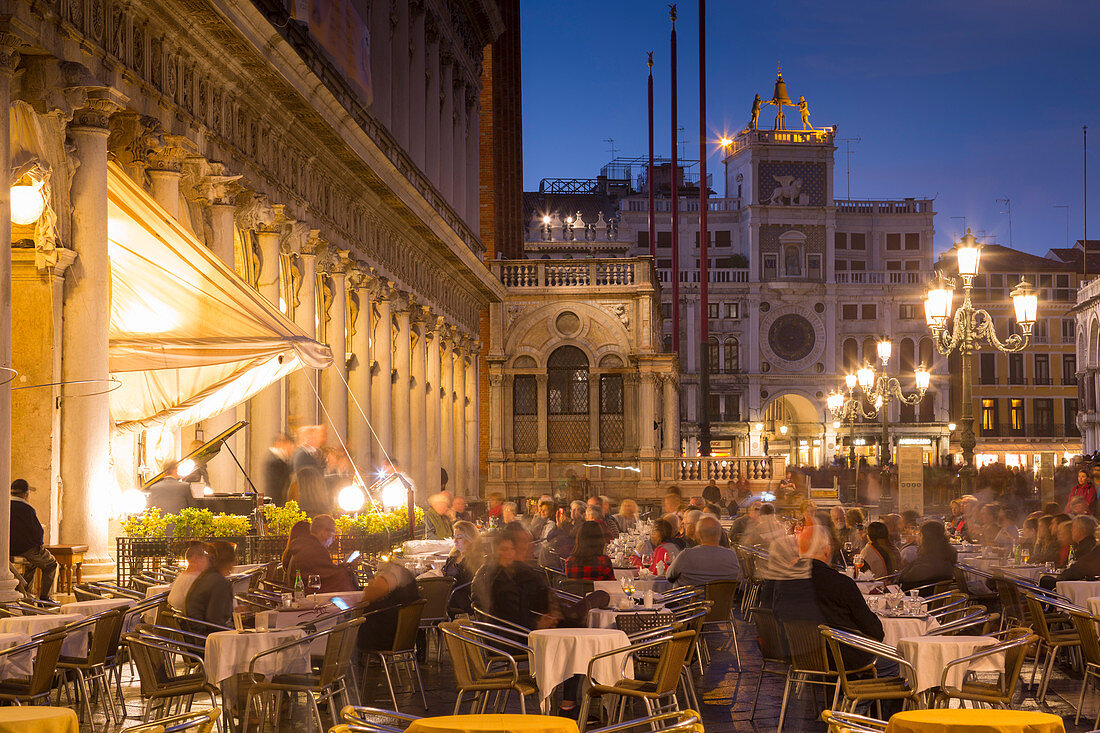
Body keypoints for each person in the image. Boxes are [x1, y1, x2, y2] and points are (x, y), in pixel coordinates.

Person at [805, 526, 885, 670]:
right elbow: (875, 631)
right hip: (841, 658)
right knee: (894, 663)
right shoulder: (840, 583)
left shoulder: (786, 582)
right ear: (827, 550)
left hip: (801, 655)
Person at [472, 523, 553, 630]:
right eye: (505, 549)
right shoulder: (501, 578)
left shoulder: (493, 570)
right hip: (509, 639)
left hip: (498, 633)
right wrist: (537, 625)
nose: (530, 545)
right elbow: (509, 617)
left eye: (511, 549)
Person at [357, 556, 420, 652]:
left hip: (382, 638)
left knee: (348, 629)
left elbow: (369, 596)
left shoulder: (390, 577)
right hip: (404, 637)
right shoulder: (407, 580)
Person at [9, 479, 57, 600]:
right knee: (51, 564)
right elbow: (37, 532)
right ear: (26, 494)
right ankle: (45, 598)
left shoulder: (5, 506)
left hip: (8, 549)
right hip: (25, 549)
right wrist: (39, 546)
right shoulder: (27, 509)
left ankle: (26, 593)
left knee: (31, 564)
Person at [285, 514, 356, 592]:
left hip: (300, 594)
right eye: (333, 535)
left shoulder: (304, 546)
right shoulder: (315, 549)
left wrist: (344, 565)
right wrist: (348, 565)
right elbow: (332, 577)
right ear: (323, 532)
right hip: (308, 597)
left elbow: (327, 572)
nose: (334, 539)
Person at [666, 517, 741, 587]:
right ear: (719, 534)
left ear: (698, 535)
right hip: (723, 601)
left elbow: (669, 576)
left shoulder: (687, 555)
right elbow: (738, 579)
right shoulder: (731, 555)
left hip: (690, 601)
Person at [183, 540, 237, 635]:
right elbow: (215, 622)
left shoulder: (206, 577)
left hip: (194, 635)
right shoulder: (219, 583)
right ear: (229, 561)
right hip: (206, 640)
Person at [898, 522, 957, 594]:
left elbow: (905, 580)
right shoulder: (945, 555)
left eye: (920, 534)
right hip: (930, 595)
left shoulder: (928, 562)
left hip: (915, 597)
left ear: (925, 538)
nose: (917, 537)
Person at [1043, 515, 1100, 586]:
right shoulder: (1079, 545)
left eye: (1074, 527)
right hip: (1074, 580)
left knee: (1045, 581)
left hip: (1078, 584)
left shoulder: (1087, 547)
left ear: (1083, 530)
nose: (1071, 530)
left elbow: (1079, 568)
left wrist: (1060, 578)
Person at [443, 521, 483, 617]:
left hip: (460, 598)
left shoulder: (475, 560)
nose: (455, 541)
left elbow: (469, 584)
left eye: (459, 537)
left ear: (470, 539)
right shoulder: (453, 557)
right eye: (455, 537)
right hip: (447, 595)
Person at [168, 541, 212, 610]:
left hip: (179, 617)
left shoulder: (183, 576)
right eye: (204, 556)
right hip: (192, 619)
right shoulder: (194, 579)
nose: (207, 560)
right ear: (195, 558)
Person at [262, 433, 294, 505]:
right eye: (289, 445)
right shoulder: (274, 459)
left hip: (278, 497)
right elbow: (278, 482)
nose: (291, 449)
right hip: (275, 498)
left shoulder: (280, 458)